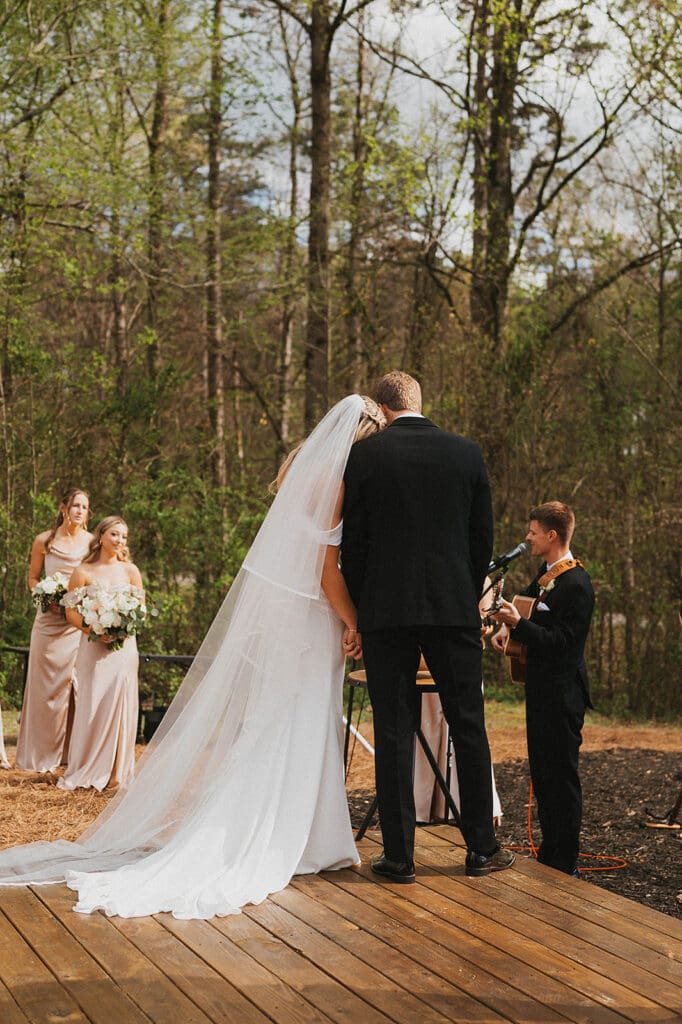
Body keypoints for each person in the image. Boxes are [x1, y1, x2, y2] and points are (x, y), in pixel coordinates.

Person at [0, 395, 383, 920]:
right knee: (300, 717)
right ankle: (298, 836)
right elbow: (324, 568)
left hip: (296, 619)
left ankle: (311, 832)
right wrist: (355, 620)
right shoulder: (334, 485)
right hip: (314, 618)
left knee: (293, 719)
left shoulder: (304, 476)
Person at [341, 370, 514, 881]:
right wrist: (463, 594)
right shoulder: (466, 453)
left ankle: (399, 857)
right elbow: (480, 539)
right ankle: (482, 848)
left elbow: (355, 546)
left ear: (381, 406)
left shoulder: (365, 456)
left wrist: (364, 606)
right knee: (469, 725)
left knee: (393, 731)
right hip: (451, 609)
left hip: (385, 613)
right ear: (419, 401)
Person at [491, 501, 595, 876]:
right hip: (539, 690)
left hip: (563, 695)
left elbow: (563, 642)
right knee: (543, 774)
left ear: (551, 535)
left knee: (561, 778)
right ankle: (549, 854)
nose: (527, 537)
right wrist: (507, 627)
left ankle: (564, 862)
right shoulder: (546, 573)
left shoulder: (577, 584)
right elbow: (528, 603)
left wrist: (518, 624)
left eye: (533, 531)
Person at [58, 517, 144, 792]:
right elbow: (70, 611)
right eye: (115, 534)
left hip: (124, 648)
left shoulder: (131, 571)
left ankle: (117, 771)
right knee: (92, 701)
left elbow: (140, 609)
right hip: (93, 646)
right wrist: (93, 627)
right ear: (102, 536)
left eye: (124, 536)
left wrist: (124, 627)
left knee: (120, 701)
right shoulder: (82, 572)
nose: (120, 540)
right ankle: (88, 766)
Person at [15, 488, 92, 771]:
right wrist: (45, 597)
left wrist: (72, 603)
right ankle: (38, 755)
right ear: (63, 508)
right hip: (47, 623)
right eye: (75, 506)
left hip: (75, 625)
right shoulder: (44, 541)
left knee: (74, 687)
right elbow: (34, 578)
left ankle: (69, 755)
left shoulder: (92, 543)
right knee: (44, 687)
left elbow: (94, 581)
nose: (80, 511)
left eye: (85, 507)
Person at [414, 581, 503, 825]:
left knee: (463, 729)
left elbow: (484, 614)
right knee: (427, 724)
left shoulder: (476, 572)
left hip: (460, 655)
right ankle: (422, 803)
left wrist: (481, 620)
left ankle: (459, 804)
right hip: (422, 656)